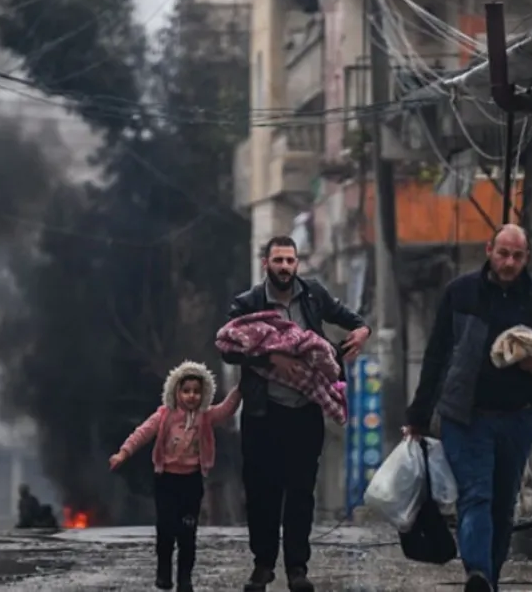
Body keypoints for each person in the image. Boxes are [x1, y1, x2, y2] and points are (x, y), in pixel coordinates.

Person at [404, 224, 532, 592]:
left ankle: (488, 579)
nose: (509, 262)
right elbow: (436, 355)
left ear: (527, 257)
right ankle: (477, 572)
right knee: (475, 495)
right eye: (503, 254)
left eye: (517, 256)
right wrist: (418, 414)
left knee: (503, 504)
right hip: (466, 416)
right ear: (489, 250)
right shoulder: (461, 292)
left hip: (519, 416)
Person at [220, 235, 370, 592]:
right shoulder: (248, 303)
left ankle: (297, 568)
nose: (285, 267)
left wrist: (363, 331)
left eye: (290, 260)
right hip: (263, 413)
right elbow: (228, 349)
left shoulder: (313, 295)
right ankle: (263, 565)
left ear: (297, 263)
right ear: (266, 264)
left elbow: (350, 318)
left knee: (301, 492)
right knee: (262, 493)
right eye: (278, 260)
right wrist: (270, 357)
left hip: (305, 411)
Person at [110, 361, 242, 592]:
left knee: (187, 534)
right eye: (186, 390)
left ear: (204, 393)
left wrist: (241, 388)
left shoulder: (205, 417)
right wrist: (124, 452)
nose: (191, 396)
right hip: (166, 481)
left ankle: (184, 579)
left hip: (191, 482)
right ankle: (164, 573)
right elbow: (143, 432)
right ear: (176, 391)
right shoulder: (164, 415)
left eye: (196, 391)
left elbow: (226, 409)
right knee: (166, 530)